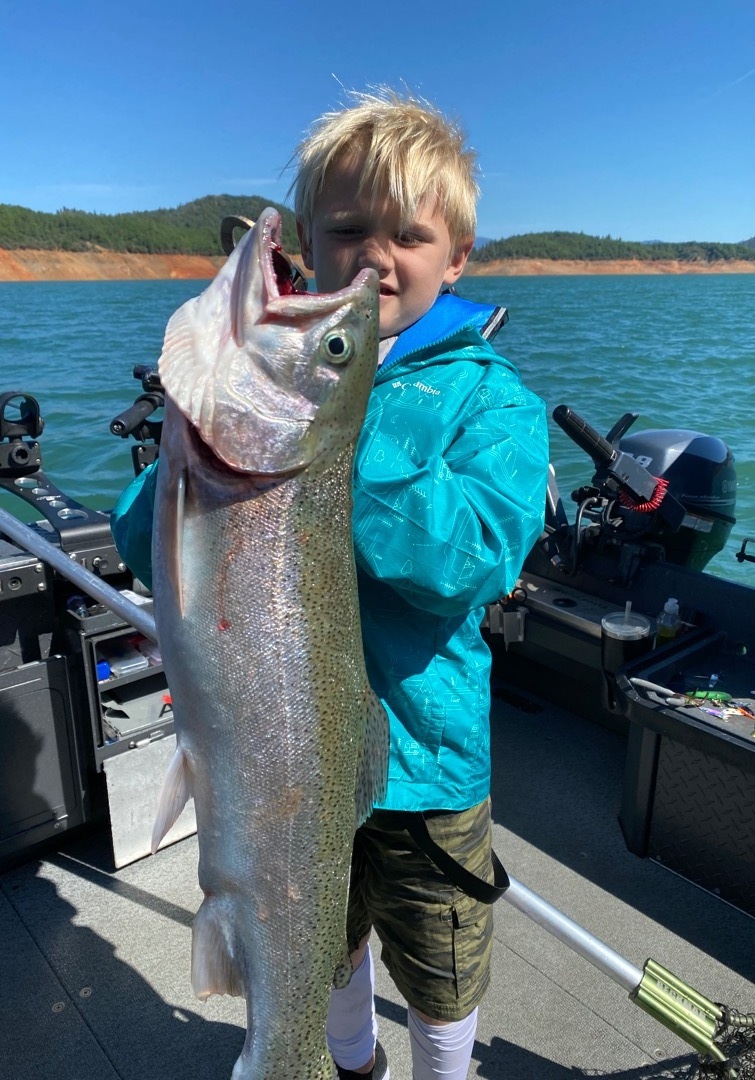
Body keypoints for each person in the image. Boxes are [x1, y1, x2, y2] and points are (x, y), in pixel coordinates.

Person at [111, 88, 549, 1080]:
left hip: (427, 766)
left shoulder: (493, 402)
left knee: (441, 968)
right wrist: (190, 445)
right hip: (278, 773)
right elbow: (149, 542)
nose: (375, 255)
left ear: (459, 257)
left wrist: (344, 436)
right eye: (348, 228)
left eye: (410, 233)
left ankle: (443, 1071)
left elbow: (474, 558)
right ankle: (339, 1063)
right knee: (324, 944)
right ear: (310, 239)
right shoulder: (273, 378)